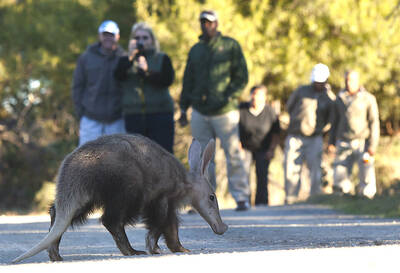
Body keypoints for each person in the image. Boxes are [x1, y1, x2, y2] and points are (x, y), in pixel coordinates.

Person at [178, 10, 251, 211]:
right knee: (201, 160)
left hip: (225, 111)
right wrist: (183, 108)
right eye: (203, 22)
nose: (206, 25)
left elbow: (242, 75)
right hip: (200, 111)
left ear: (216, 24)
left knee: (233, 153)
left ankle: (241, 197)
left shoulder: (230, 45)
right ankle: (202, 199)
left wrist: (230, 95)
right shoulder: (196, 50)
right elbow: (188, 80)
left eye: (209, 22)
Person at [114, 22, 175, 153]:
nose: (141, 41)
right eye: (137, 38)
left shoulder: (162, 58)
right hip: (134, 116)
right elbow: (118, 76)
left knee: (163, 156)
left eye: (145, 37)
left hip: (160, 114)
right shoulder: (125, 59)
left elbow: (167, 80)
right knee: (136, 160)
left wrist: (147, 72)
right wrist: (130, 57)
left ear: (152, 40)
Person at [283, 63, 335, 204]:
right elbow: (289, 106)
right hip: (296, 135)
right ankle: (291, 198)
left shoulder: (329, 97)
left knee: (315, 169)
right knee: (291, 168)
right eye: (316, 81)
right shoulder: (301, 91)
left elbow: (332, 117)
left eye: (321, 81)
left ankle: (315, 199)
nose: (318, 84)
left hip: (315, 138)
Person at [72, 20, 126, 146]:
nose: (108, 38)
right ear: (99, 36)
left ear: (117, 36)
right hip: (91, 120)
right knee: (86, 161)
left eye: (111, 35)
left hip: (116, 120)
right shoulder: (86, 57)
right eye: (105, 34)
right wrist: (81, 112)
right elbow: (77, 86)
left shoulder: (124, 58)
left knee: (117, 161)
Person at [328, 70, 380, 198]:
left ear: (358, 81)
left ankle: (367, 198)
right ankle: (342, 197)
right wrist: (331, 142)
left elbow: (374, 123)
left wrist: (373, 145)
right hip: (343, 141)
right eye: (347, 80)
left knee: (366, 171)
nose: (349, 83)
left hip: (363, 142)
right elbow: (334, 122)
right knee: (341, 171)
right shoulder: (339, 98)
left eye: (351, 80)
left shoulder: (368, 98)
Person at [239, 85, 281, 206]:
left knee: (262, 174)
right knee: (244, 173)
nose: (255, 98)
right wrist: (239, 148)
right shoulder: (242, 109)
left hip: (264, 148)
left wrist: (271, 150)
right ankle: (244, 201)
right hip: (245, 147)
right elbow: (234, 131)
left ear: (264, 97)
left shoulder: (270, 112)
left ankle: (262, 203)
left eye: (258, 95)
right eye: (253, 94)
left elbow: (276, 133)